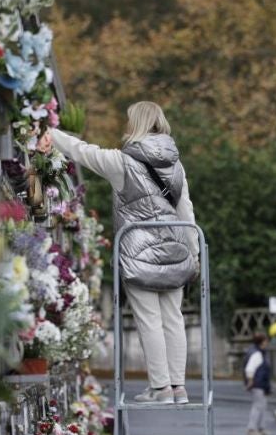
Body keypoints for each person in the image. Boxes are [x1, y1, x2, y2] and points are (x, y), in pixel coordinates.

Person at [39, 101, 198, 405]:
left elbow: (83, 151)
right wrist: (194, 252)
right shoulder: (176, 165)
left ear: (135, 124)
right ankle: (179, 388)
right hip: (176, 247)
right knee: (173, 318)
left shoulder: (121, 162)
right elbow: (185, 210)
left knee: (149, 319)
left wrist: (50, 132)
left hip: (138, 251)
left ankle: (160, 388)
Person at [243, 332, 272, 435]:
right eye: (266, 340)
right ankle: (252, 429)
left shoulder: (258, 352)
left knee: (262, 405)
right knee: (258, 406)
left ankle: (261, 427)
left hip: (259, 384)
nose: (267, 342)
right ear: (262, 342)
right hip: (257, 384)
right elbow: (249, 369)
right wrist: (250, 381)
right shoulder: (257, 354)